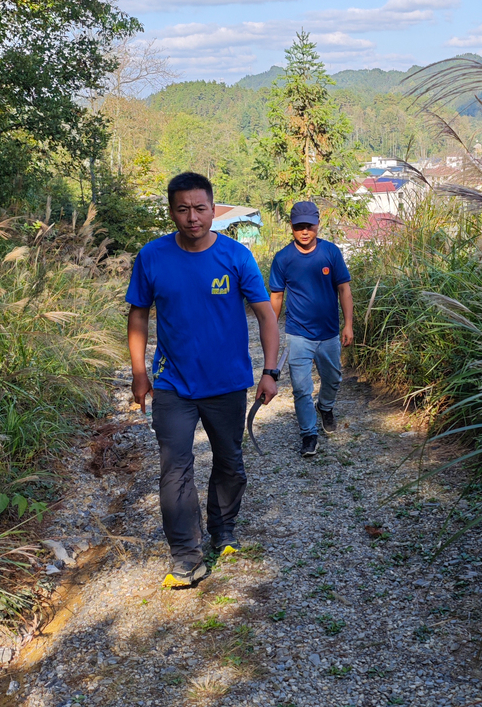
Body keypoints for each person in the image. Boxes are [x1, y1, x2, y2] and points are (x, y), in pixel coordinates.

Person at [126, 172, 280, 588]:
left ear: (214, 209)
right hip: (172, 383)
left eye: (200, 208)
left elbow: (266, 315)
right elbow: (138, 314)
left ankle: (223, 529)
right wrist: (140, 373)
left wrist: (269, 371)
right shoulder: (153, 256)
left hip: (227, 382)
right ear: (172, 211)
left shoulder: (236, 257)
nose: (192, 217)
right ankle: (185, 556)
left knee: (229, 461)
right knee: (174, 468)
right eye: (183, 209)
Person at [268, 200, 353, 458]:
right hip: (298, 333)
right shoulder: (283, 258)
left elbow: (344, 289)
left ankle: (325, 406)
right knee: (301, 387)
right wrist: (271, 329)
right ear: (291, 227)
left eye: (310, 225)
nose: (305, 231)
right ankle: (308, 433)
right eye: (299, 226)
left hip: (328, 333)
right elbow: (276, 297)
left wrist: (348, 324)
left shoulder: (331, 253)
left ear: (318, 224)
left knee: (333, 378)